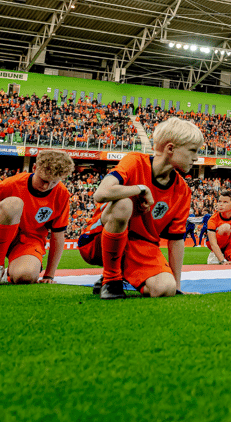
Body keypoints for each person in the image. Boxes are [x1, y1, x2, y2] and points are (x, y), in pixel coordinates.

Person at [79, 116, 202, 299]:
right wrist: (140, 189)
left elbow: (176, 240)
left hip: (141, 247)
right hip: (96, 241)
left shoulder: (183, 190)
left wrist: (177, 286)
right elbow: (101, 193)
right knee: (123, 203)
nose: (196, 157)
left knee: (164, 289)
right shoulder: (135, 161)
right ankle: (111, 280)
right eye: (192, 150)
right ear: (170, 148)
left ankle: (121, 272)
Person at [0, 149, 75, 287]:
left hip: (29, 240)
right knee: (13, 203)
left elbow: (58, 235)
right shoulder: (12, 183)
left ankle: (8, 272)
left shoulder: (62, 194)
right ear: (34, 168)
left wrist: (49, 274)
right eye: (44, 180)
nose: (46, 186)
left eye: (53, 183)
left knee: (26, 276)